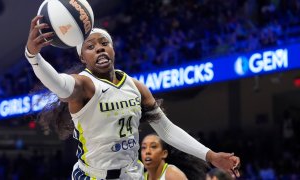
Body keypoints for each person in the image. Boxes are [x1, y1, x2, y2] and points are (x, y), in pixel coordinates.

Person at [25, 15, 241, 179]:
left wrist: (210, 155)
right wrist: (33, 56)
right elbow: (58, 84)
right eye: (90, 47)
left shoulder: (135, 87)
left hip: (132, 174)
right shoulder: (83, 85)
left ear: (113, 50)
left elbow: (166, 129)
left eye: (104, 43)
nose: (99, 48)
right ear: (83, 58)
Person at [141, 133, 209, 180]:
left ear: (164, 153)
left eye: (153, 146)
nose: (147, 151)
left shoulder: (172, 174)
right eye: (144, 147)